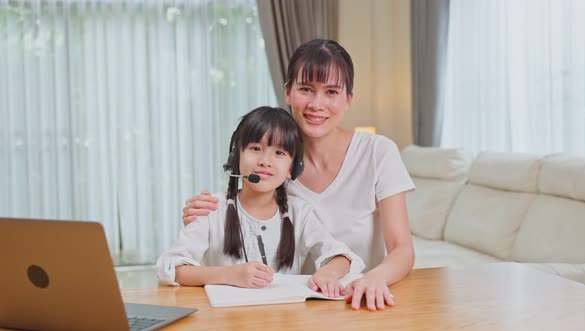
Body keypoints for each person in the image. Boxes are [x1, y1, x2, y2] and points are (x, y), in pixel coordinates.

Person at [182, 39, 415, 310]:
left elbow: (402, 248)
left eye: (331, 92)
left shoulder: (378, 152)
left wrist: (375, 278)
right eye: (306, 89)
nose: (317, 104)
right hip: (294, 308)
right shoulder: (274, 164)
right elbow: (237, 214)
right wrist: (202, 214)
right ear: (288, 93)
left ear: (348, 99)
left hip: (360, 302)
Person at [157, 106, 365, 298]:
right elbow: (171, 269)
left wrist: (328, 273)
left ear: (292, 169)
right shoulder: (212, 208)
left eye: (279, 153)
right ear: (236, 157)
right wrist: (229, 275)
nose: (265, 160)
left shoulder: (299, 212)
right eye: (255, 148)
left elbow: (342, 257)